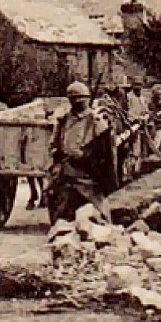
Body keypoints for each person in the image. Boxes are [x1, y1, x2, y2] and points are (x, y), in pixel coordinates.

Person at [47, 80, 111, 224]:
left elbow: (104, 151)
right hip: (66, 173)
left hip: (87, 175)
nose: (78, 103)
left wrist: (87, 158)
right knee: (54, 198)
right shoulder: (63, 120)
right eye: (74, 100)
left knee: (100, 215)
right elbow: (54, 144)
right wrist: (57, 154)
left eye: (80, 100)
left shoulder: (96, 121)